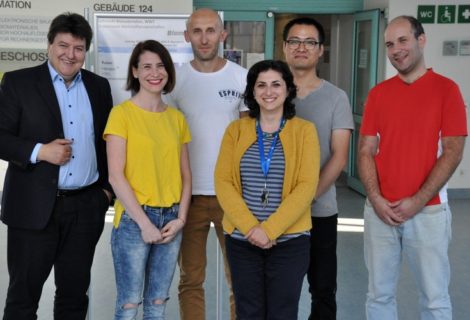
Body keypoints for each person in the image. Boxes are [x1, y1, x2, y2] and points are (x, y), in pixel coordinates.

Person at [0, 12, 113, 320]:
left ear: (85, 51)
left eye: (78, 48)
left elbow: (106, 143)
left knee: (74, 299)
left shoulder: (99, 87)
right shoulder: (18, 82)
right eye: (63, 45)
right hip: (33, 208)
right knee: (23, 301)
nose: (70, 54)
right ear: (49, 45)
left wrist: (105, 192)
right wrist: (40, 151)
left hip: (85, 208)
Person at [358, 15, 467, 320]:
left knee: (434, 300)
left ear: (421, 40)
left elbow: (453, 152)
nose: (396, 50)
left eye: (403, 40)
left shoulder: (447, 90)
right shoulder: (379, 94)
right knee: (378, 296)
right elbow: (366, 150)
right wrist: (376, 199)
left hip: (429, 211)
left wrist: (417, 200)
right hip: (380, 212)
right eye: (389, 44)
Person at [215, 59, 320, 319]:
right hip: (242, 240)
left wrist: (269, 230)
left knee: (282, 313)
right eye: (261, 85)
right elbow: (223, 182)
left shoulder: (305, 131)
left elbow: (306, 186)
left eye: (276, 84)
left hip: (290, 242)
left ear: (288, 89)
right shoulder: (236, 130)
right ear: (252, 91)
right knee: (248, 311)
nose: (268, 91)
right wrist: (252, 229)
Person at [164, 8, 247, 320]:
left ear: (222, 35)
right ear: (187, 36)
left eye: (211, 30)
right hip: (188, 196)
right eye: (196, 31)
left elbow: (248, 137)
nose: (204, 38)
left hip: (232, 195)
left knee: (239, 278)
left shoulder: (242, 77)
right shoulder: (175, 81)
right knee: (190, 280)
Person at [104, 40, 191, 319]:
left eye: (161, 66)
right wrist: (144, 224)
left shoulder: (177, 119)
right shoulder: (121, 114)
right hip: (133, 220)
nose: (155, 73)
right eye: (147, 66)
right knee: (129, 303)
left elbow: (186, 176)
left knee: (157, 302)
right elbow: (115, 177)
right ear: (135, 71)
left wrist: (181, 219)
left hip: (171, 220)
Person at [282, 17, 354, 320]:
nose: (302, 48)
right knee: (281, 290)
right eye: (295, 41)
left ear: (321, 50)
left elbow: (339, 156)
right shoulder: (271, 91)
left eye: (309, 42)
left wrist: (305, 198)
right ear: (284, 48)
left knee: (323, 289)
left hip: (320, 211)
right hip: (275, 213)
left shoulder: (336, 97)